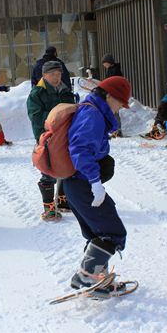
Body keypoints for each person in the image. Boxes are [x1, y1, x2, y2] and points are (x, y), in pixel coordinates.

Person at [63, 76, 131, 293]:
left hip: (76, 183)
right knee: (112, 232)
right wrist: (94, 182)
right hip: (81, 183)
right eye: (120, 102)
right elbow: (80, 149)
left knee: (99, 233)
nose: (120, 107)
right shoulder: (93, 114)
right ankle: (88, 278)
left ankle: (91, 276)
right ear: (109, 96)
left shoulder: (93, 111)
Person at [27, 61, 76, 220]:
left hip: (66, 136)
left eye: (59, 74)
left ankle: (62, 200)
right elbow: (36, 118)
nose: (56, 77)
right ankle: (48, 208)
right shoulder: (37, 93)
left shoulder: (65, 90)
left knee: (67, 168)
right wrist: (56, 117)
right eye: (53, 74)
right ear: (44, 75)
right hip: (47, 138)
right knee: (48, 172)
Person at [100, 54, 124, 137]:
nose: (103, 65)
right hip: (110, 93)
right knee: (111, 112)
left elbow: (115, 83)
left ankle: (118, 130)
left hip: (115, 94)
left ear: (109, 62)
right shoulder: (110, 70)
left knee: (115, 112)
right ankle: (114, 130)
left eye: (104, 63)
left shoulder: (115, 71)